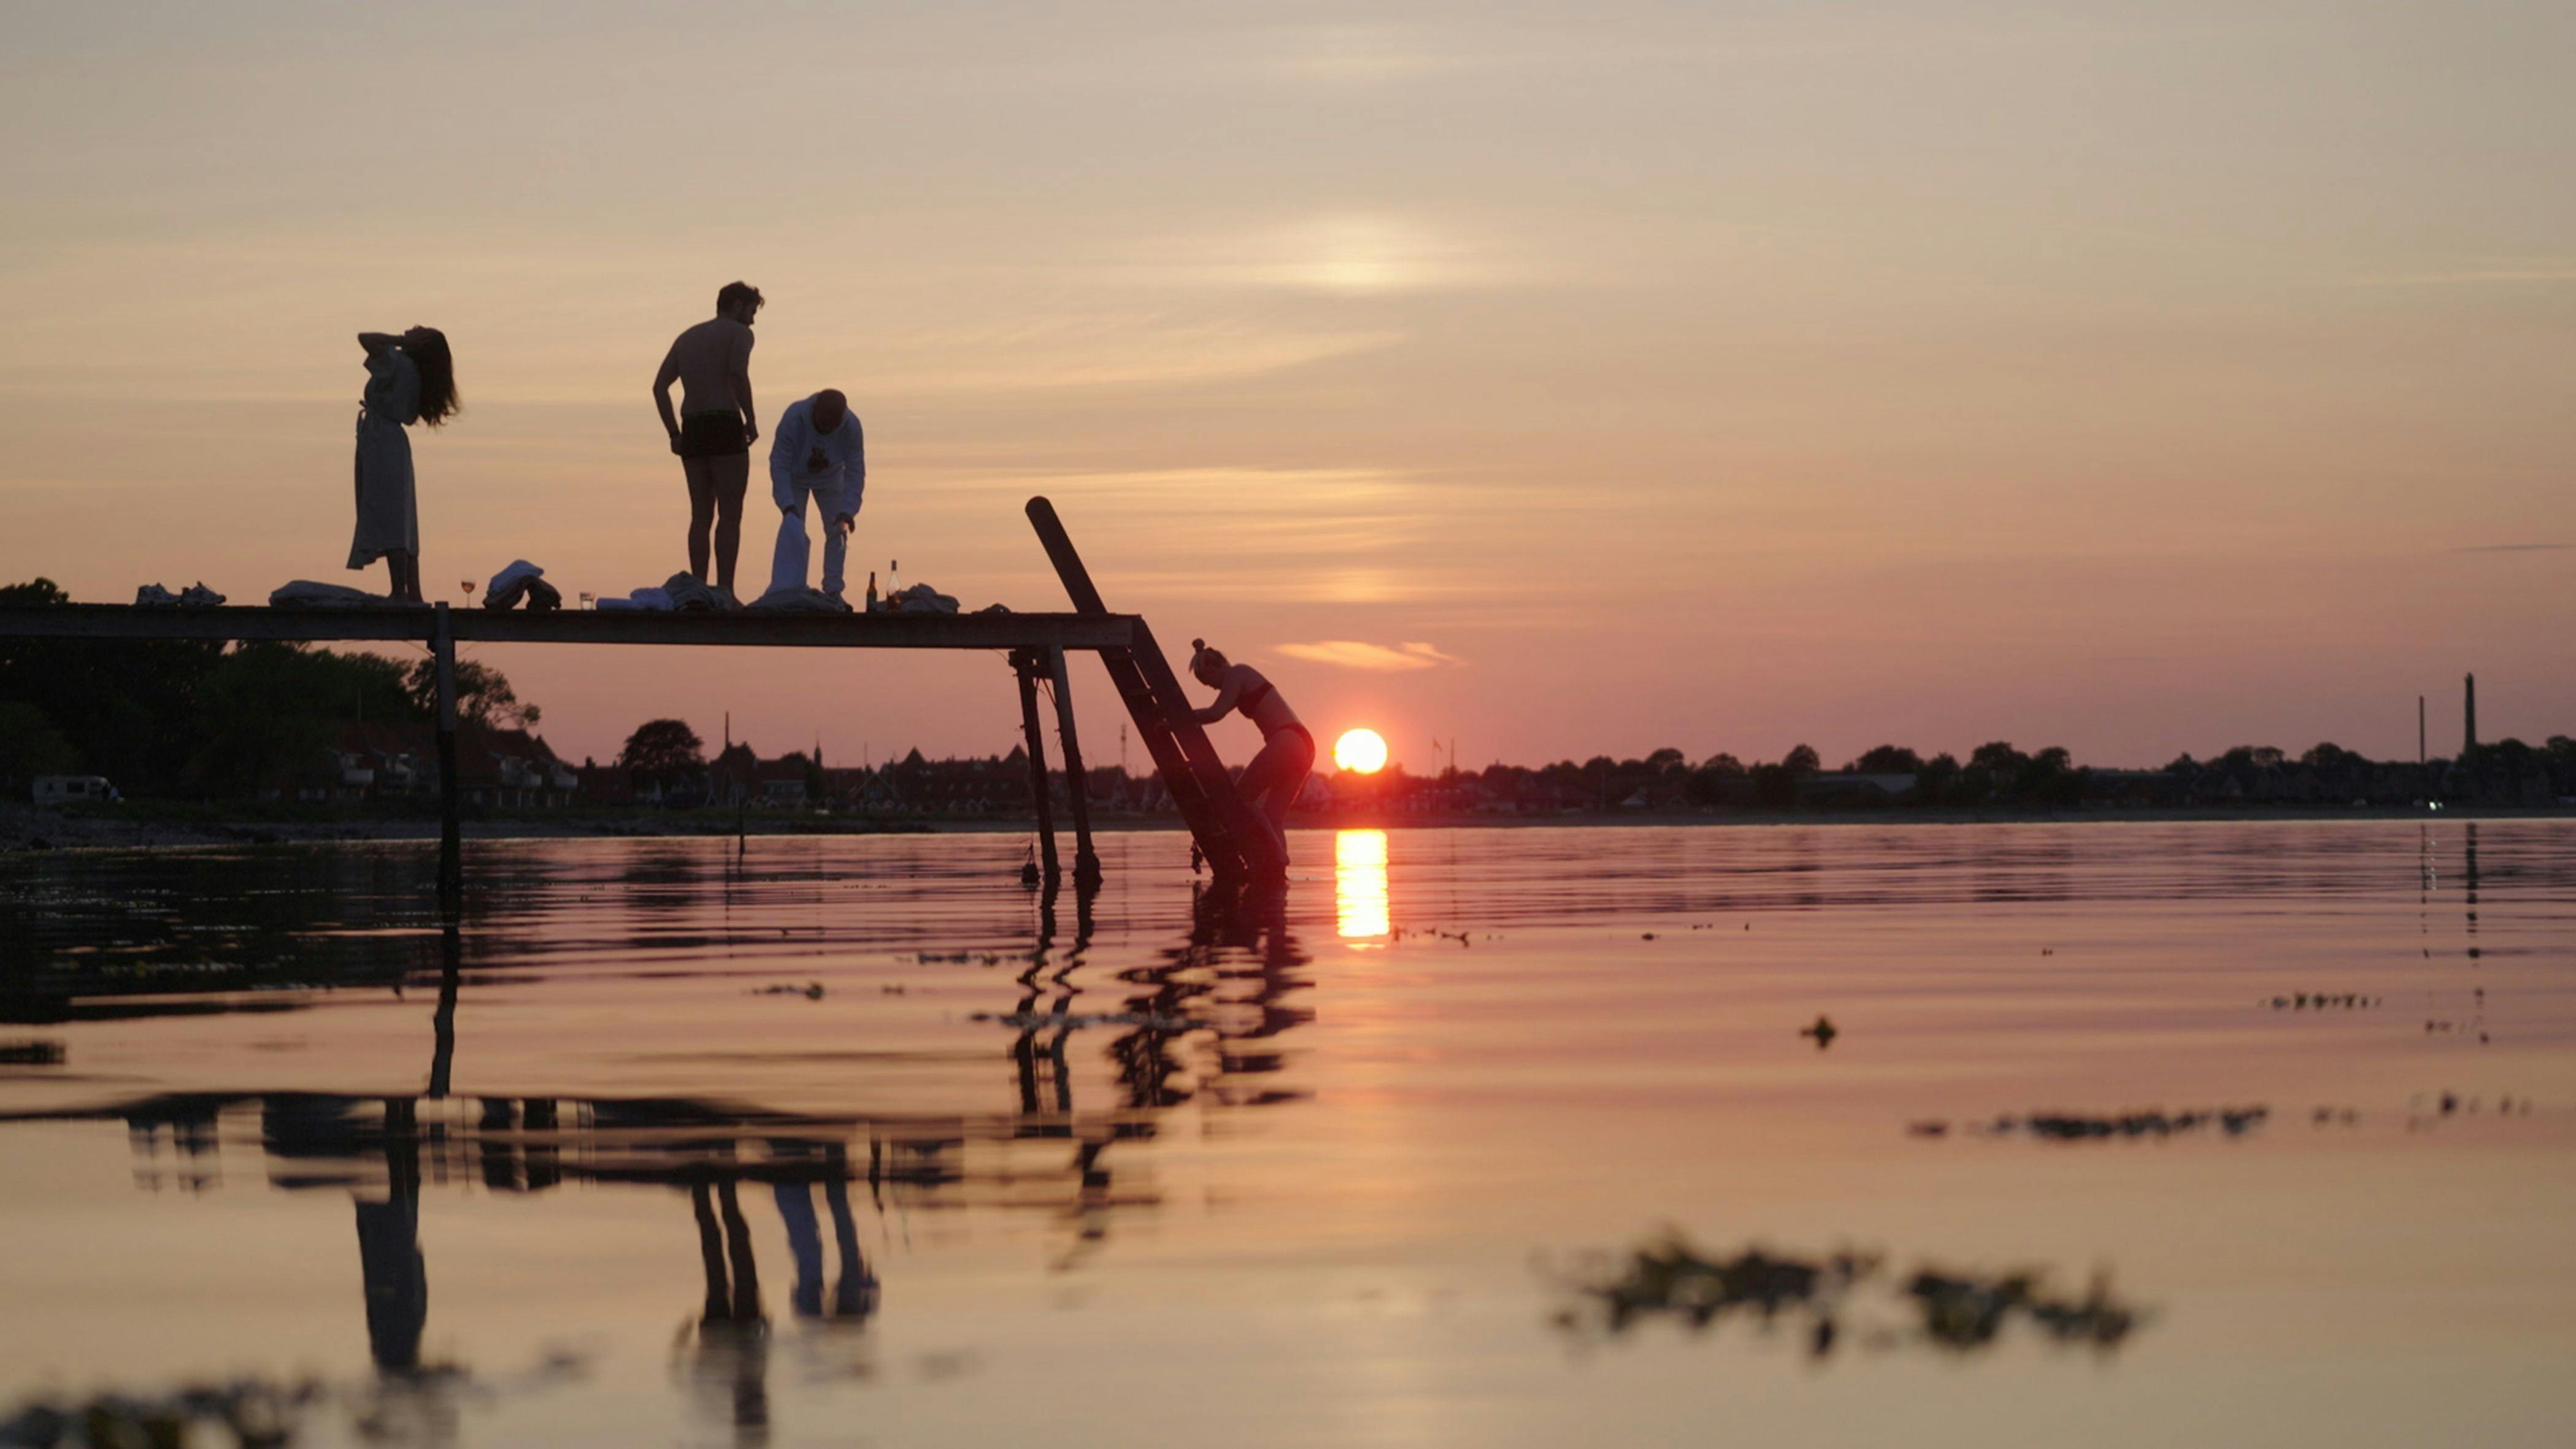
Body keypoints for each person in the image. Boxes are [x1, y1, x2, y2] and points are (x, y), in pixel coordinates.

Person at [653, 282, 762, 593]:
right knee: (730, 514)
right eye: (752, 311)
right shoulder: (740, 334)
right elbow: (737, 373)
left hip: (694, 428)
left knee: (700, 515)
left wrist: (673, 432)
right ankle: (725, 591)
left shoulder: (687, 337)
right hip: (725, 423)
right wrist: (751, 418)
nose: (753, 320)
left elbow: (659, 387)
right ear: (739, 306)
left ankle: (698, 590)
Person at [348, 328, 457, 602]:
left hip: (382, 439)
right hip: (389, 440)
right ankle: (413, 591)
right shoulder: (412, 369)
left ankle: (399, 591)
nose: (411, 329)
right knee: (402, 515)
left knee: (391, 514)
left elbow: (365, 338)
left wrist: (399, 341)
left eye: (417, 331)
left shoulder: (399, 362)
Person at [1187, 640, 1315, 853]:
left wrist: (1181, 718)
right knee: (1274, 817)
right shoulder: (1241, 679)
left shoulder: (1238, 673)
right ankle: (1281, 864)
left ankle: (1274, 857)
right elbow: (1219, 710)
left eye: (1210, 682)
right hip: (1303, 744)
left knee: (1241, 798)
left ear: (1214, 667)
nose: (1214, 688)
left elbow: (1216, 713)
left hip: (1287, 740)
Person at [763, 389, 866, 601]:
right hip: (795, 478)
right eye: (825, 422)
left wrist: (849, 510)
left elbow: (856, 471)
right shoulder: (794, 418)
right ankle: (792, 589)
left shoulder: (852, 427)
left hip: (831, 479)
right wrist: (787, 505)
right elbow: (779, 464)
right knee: (795, 531)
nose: (829, 428)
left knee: (838, 531)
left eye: (834, 424)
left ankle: (833, 590)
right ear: (815, 410)